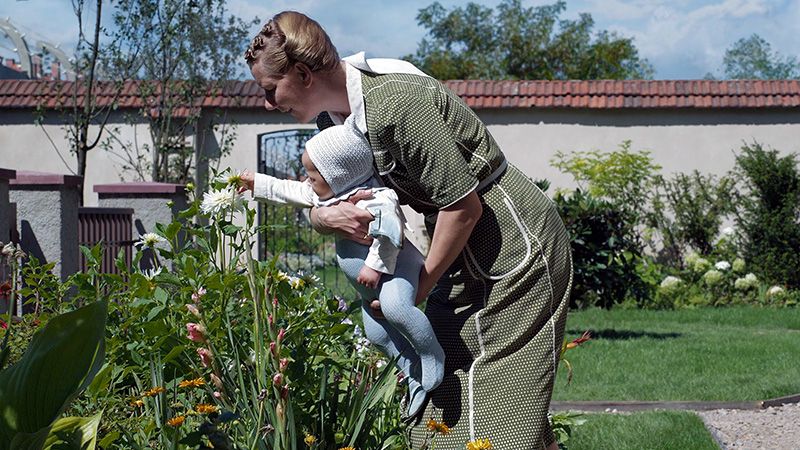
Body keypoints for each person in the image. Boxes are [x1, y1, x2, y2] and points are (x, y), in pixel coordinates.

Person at [244, 11, 573, 450]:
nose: (268, 103)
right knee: (440, 393)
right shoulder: (335, 124)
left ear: (303, 73)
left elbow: (464, 207)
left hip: (513, 246)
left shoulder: (397, 103)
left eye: (271, 90)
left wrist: (422, 284)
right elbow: (321, 199)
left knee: (502, 415)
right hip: (457, 251)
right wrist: (324, 218)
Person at [240, 115, 445, 417]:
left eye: (312, 175)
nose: (306, 180)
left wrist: (374, 267)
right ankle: (411, 369)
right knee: (377, 335)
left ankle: (431, 354)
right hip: (367, 287)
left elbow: (390, 233)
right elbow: (289, 191)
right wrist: (256, 183)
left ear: (337, 174)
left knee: (397, 308)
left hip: (394, 272)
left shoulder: (376, 198)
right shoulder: (328, 195)